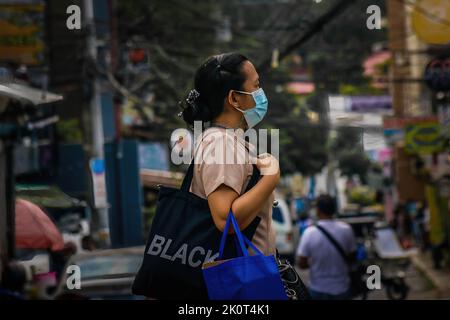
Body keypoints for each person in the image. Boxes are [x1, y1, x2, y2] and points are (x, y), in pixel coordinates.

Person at [180, 52, 279, 255]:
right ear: (234, 98)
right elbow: (226, 220)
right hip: (241, 279)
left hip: (250, 275)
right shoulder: (220, 144)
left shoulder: (231, 141)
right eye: (256, 85)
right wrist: (271, 177)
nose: (261, 92)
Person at [296, 194, 356, 300]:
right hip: (342, 289)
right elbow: (352, 257)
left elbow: (301, 264)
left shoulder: (309, 233)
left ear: (318, 210)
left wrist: (316, 263)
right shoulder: (346, 230)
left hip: (318, 289)